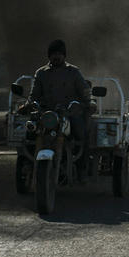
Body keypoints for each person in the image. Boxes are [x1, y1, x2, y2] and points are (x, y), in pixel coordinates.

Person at [29, 39, 92, 176]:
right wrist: (31, 104)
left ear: (64, 55)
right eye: (53, 54)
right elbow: (34, 95)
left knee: (81, 133)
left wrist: (89, 102)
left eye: (59, 53)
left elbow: (85, 91)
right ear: (49, 56)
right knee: (29, 132)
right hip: (47, 114)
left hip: (68, 114)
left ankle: (82, 168)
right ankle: (27, 164)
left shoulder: (73, 72)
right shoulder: (41, 73)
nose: (56, 56)